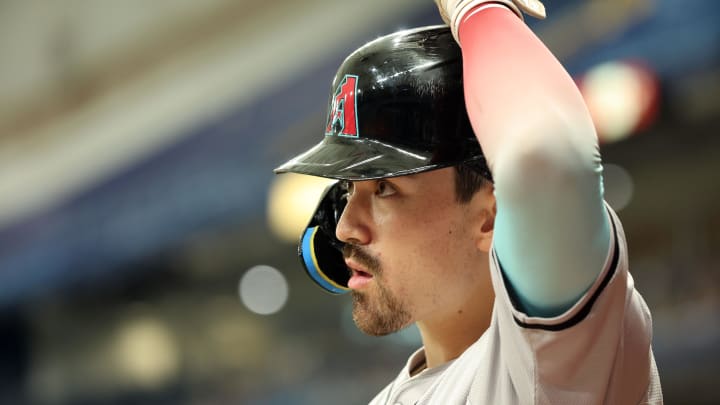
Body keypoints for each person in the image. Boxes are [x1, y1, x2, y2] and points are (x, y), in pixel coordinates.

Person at [275, 1, 663, 403]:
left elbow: (546, 160)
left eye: (384, 188)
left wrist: (480, 11)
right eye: (349, 190)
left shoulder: (562, 361)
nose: (342, 228)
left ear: (491, 216)